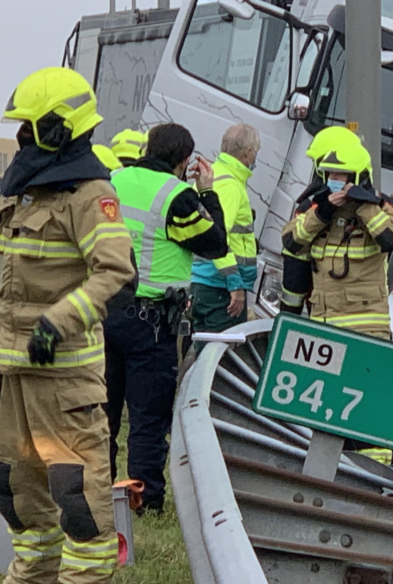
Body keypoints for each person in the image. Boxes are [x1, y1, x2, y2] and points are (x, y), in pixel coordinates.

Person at [0, 67, 137, 582]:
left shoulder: (88, 195)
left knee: (78, 503)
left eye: (27, 128)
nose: (19, 138)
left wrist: (60, 322)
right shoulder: (30, 194)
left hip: (66, 382)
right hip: (19, 378)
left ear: (56, 129)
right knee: (15, 491)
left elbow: (117, 275)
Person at [105, 123, 228, 514]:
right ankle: (141, 501)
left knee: (99, 413)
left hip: (102, 312)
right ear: (184, 161)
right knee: (147, 417)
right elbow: (214, 243)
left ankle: (97, 493)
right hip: (150, 322)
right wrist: (207, 191)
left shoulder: (112, 181)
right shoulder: (178, 197)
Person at [279, 133, 393, 337]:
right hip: (321, 322)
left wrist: (364, 205)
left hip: (366, 329)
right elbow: (291, 242)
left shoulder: (380, 207)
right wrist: (321, 213)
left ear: (357, 177)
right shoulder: (317, 208)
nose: (332, 180)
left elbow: (390, 238)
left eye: (340, 175)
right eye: (330, 174)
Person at [190, 124, 261, 334]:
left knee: (203, 352)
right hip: (219, 287)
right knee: (220, 358)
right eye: (256, 152)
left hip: (202, 281)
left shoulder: (213, 176)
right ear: (248, 153)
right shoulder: (230, 185)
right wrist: (235, 284)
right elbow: (217, 237)